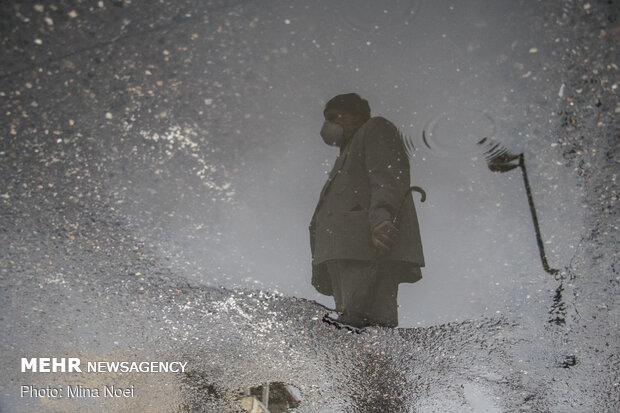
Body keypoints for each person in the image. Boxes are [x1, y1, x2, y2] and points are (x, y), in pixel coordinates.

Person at [309, 93, 425, 328]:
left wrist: (382, 221)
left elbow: (387, 178)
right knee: (350, 330)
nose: (328, 125)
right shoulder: (345, 154)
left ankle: (376, 365)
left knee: (372, 328)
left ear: (354, 115)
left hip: (365, 248)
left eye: (333, 117)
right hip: (342, 252)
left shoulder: (374, 129)